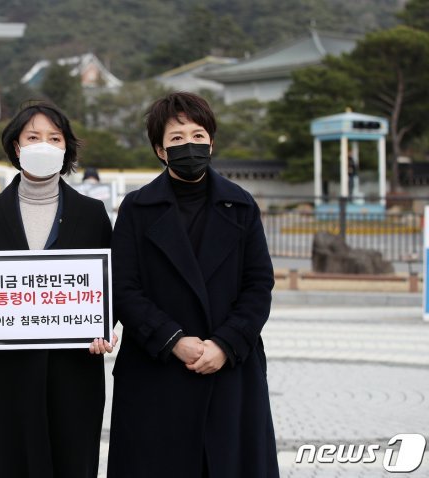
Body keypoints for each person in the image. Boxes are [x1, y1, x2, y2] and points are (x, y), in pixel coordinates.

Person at [107, 92, 279, 478]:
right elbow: (122, 287)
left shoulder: (241, 205)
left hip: (230, 368)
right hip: (156, 370)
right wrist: (172, 340)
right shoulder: (136, 208)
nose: (190, 145)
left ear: (212, 142)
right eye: (177, 138)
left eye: (198, 135)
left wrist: (226, 343)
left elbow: (259, 284)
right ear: (160, 150)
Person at [0, 101, 116, 478]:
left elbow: (111, 284)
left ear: (65, 148)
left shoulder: (91, 214)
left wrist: (105, 326)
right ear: (16, 146)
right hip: (8, 372)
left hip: (75, 370)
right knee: (13, 463)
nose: (44, 145)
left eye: (54, 137)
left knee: (73, 463)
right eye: (33, 137)